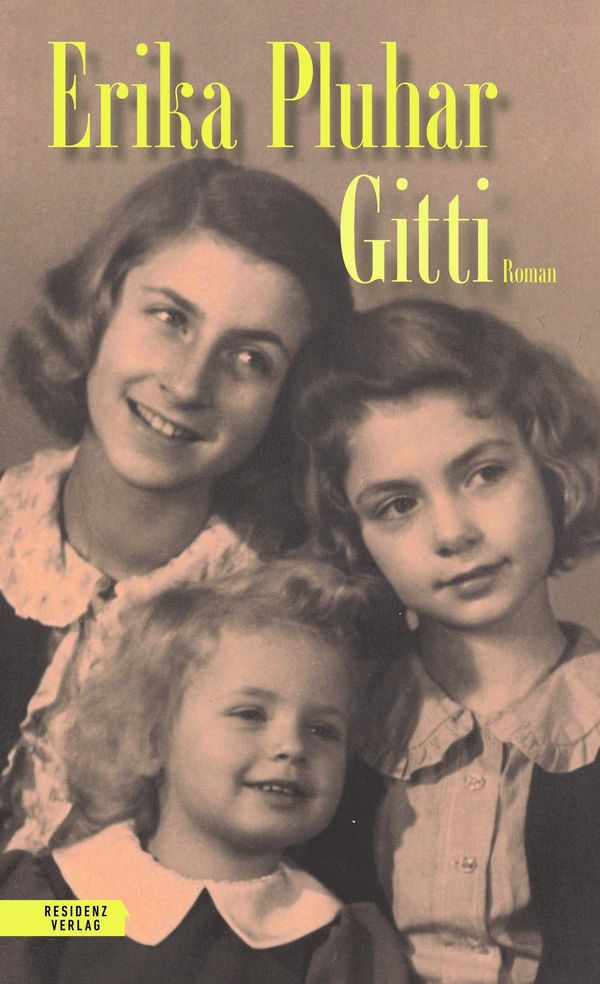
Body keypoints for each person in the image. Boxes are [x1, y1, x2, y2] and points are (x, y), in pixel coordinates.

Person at [0, 157, 353, 853]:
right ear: (97, 311)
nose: (188, 384)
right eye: (169, 318)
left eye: (250, 359)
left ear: (288, 402)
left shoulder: (297, 622)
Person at [293, 299, 600, 984]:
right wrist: (41, 922)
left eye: (484, 473)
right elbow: (195, 899)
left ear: (550, 469)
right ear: (356, 539)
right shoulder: (330, 725)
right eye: (398, 505)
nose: (454, 532)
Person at [0, 559, 408, 984]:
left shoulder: (322, 937)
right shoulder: (78, 903)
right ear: (151, 739)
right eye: (250, 714)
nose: (292, 746)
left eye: (323, 730)